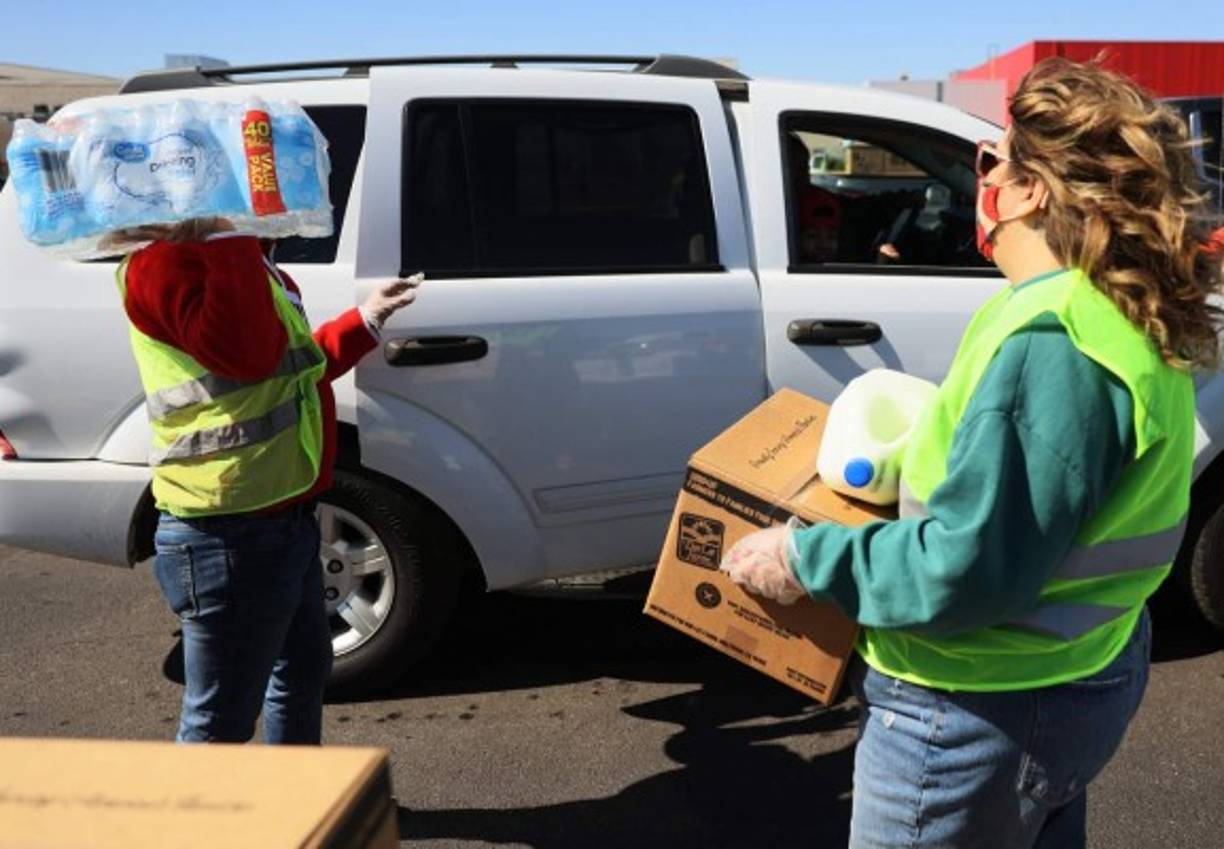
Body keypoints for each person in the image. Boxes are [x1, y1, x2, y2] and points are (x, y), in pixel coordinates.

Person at [721, 58, 1223, 848]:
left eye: (994, 160)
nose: (981, 178)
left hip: (979, 703)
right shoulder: (1110, 310)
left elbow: (968, 569)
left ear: (1033, 192)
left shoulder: (1055, 339)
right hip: (1068, 674)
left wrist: (807, 557)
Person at [115, 215, 420, 744]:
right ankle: (199, 828)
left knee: (301, 672)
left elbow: (294, 366)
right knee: (220, 720)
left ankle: (296, 807)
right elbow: (249, 356)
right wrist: (229, 233)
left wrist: (366, 319)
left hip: (282, 517)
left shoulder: (251, 261)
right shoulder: (164, 263)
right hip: (229, 531)